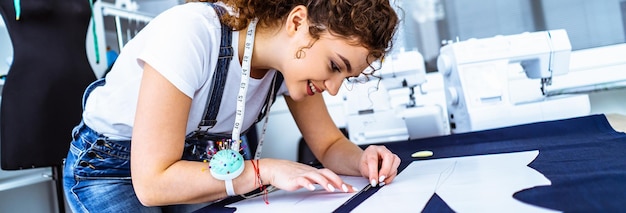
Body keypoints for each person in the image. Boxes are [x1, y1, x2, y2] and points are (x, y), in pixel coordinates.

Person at [63, 0, 401, 212]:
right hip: (109, 170)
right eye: (334, 66)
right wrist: (264, 170)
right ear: (298, 23)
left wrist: (363, 160)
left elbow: (328, 144)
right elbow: (153, 184)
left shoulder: (291, 68)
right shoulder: (192, 33)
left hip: (189, 165)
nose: (333, 88)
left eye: (347, 76)